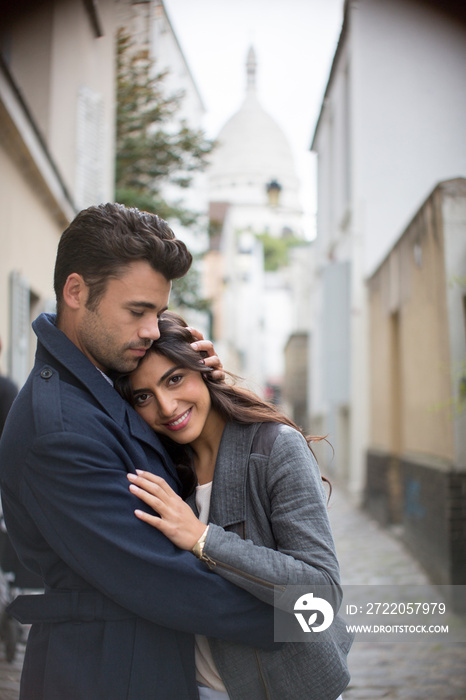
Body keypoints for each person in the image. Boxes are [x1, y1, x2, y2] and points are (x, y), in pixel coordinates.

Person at [0, 203, 276, 700]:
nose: (152, 330)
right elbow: (164, 581)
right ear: (76, 292)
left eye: (159, 312)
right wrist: (303, 616)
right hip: (104, 676)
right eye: (137, 311)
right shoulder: (59, 430)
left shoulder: (107, 383)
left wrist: (205, 392)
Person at [115, 311, 354, 700]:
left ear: (204, 369)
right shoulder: (164, 466)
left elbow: (321, 591)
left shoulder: (274, 447)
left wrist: (204, 539)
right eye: (144, 396)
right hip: (198, 688)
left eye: (175, 379)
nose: (167, 406)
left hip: (288, 690)